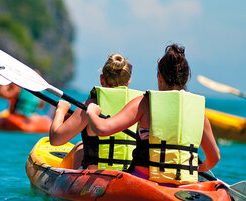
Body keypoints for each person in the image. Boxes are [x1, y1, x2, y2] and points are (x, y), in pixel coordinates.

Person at [86, 44, 220, 185]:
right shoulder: (198, 113)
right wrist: (199, 169)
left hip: (144, 181)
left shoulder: (145, 103)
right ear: (186, 79)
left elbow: (102, 129)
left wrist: (92, 112)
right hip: (184, 185)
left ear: (159, 76)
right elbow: (214, 157)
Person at [50, 53, 142, 170]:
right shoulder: (140, 106)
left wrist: (61, 111)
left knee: (79, 149)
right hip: (130, 175)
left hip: (95, 178)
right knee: (80, 147)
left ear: (102, 79)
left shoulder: (92, 104)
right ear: (128, 82)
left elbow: (55, 140)